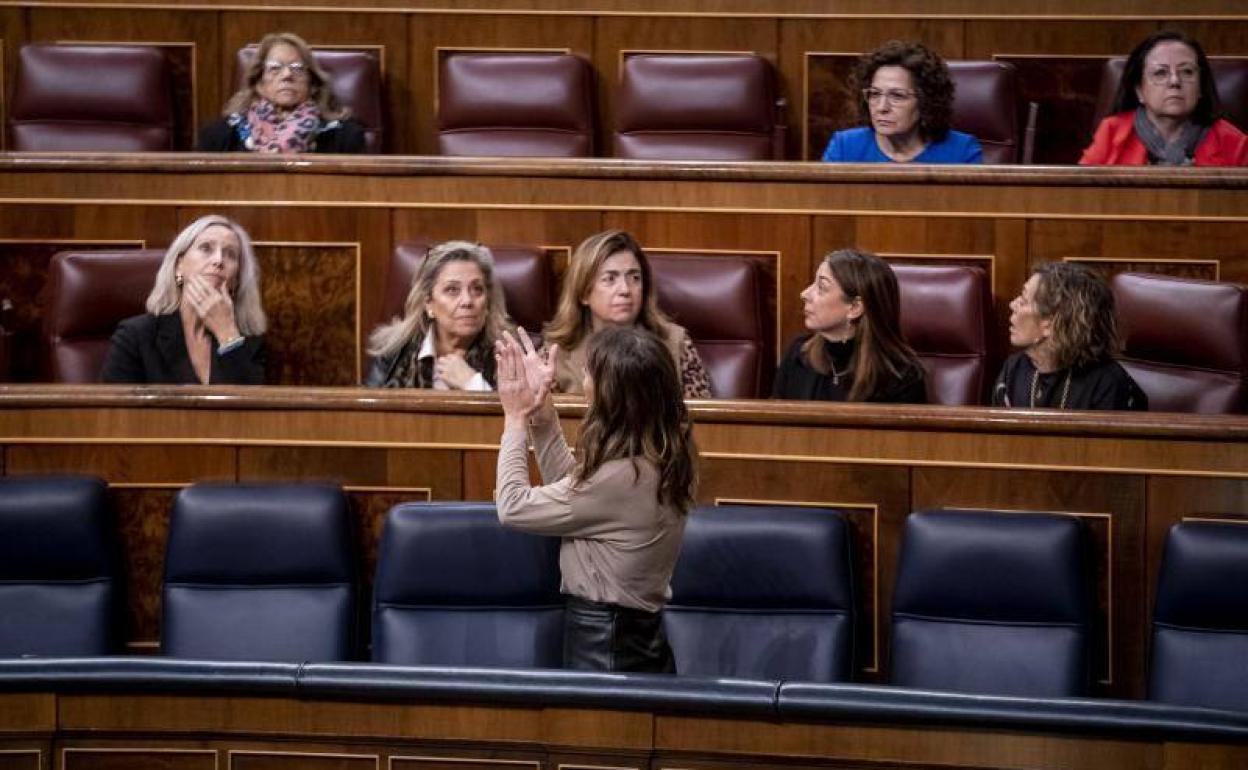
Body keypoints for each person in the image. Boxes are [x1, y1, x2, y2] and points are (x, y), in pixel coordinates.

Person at [495, 325, 697, 673]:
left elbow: (512, 505)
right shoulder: (657, 459)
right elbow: (578, 498)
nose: (584, 382)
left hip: (606, 650)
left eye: (589, 373)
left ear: (612, 395)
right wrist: (540, 412)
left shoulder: (625, 478)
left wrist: (514, 418)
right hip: (632, 642)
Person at [542, 230, 712, 398]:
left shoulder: (675, 342)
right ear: (584, 293)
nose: (625, 290)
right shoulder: (555, 352)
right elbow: (539, 418)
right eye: (610, 279)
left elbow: (702, 420)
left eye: (635, 278)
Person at [101, 215, 266, 384]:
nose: (218, 260)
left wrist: (227, 334)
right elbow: (114, 410)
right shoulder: (135, 336)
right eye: (206, 248)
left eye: (230, 254)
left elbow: (251, 407)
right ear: (179, 265)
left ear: (236, 280)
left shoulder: (250, 342)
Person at [773, 249, 925, 403]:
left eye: (822, 288)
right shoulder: (799, 354)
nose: (805, 294)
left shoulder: (902, 378)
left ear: (855, 308)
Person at [993, 262, 1147, 411]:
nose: (1013, 305)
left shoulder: (1108, 385)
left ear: (1052, 323)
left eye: (1024, 301)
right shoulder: (1013, 369)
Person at [1080, 31, 1248, 166]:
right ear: (1139, 90)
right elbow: (1082, 195)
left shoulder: (1233, 142)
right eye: (1161, 73)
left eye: (1187, 72)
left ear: (1200, 88)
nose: (1175, 81)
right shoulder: (1112, 132)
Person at [366, 241, 509, 389]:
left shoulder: (509, 356)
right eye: (452, 290)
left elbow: (518, 412)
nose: (467, 301)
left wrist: (474, 384)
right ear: (428, 302)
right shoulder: (393, 353)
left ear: (488, 301)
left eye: (477, 289)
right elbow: (367, 411)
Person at [197, 32, 366, 154]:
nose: (286, 75)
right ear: (259, 83)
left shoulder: (345, 137)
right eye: (275, 68)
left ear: (312, 83)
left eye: (297, 69)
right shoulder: (219, 136)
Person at [821, 40, 982, 164]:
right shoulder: (845, 147)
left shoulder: (962, 152)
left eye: (897, 96)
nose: (882, 107)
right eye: (875, 94)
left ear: (926, 100)